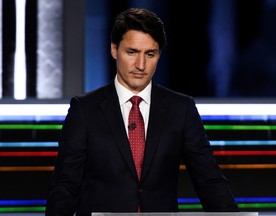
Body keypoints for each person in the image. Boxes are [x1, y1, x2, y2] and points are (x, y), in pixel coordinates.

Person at [45, 7, 239, 216]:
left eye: (150, 54)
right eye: (132, 52)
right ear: (113, 49)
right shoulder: (84, 110)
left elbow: (209, 180)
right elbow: (65, 186)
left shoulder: (181, 109)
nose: (140, 65)